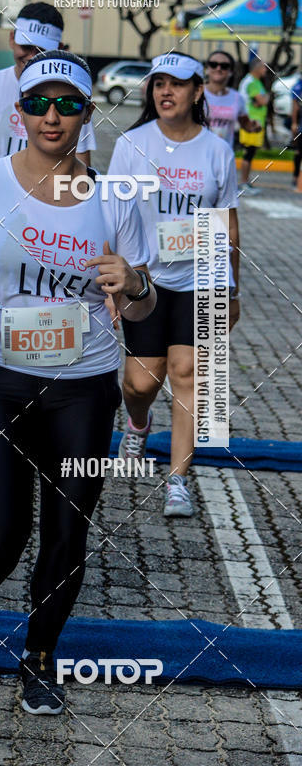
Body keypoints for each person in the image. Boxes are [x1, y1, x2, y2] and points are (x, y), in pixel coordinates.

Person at [0, 49, 155, 714]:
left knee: (66, 528)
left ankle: (40, 653)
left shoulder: (115, 196)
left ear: (86, 114)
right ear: (18, 112)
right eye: (39, 103)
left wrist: (135, 284)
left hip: (82, 383)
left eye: (69, 104)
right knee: (1, 530)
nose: (52, 116)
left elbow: (139, 303)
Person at [109, 53, 240, 518]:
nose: (165, 92)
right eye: (158, 83)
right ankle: (138, 423)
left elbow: (225, 221)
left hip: (202, 276)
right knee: (140, 382)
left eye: (177, 84)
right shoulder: (131, 144)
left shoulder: (217, 151)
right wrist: (114, 284)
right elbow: (114, 215)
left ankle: (178, 479)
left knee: (188, 374)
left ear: (197, 92)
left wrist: (234, 287)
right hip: (145, 280)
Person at [0, 2, 97, 174]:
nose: (32, 56)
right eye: (26, 47)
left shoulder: (70, 97)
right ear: (12, 38)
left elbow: (80, 168)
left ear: (59, 48)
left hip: (49, 198)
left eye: (41, 50)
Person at [204, 50, 260, 148]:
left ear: (231, 72)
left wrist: (253, 126)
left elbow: (245, 124)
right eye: (213, 64)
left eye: (224, 66)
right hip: (198, 155)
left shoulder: (237, 98)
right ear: (207, 69)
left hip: (224, 155)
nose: (218, 68)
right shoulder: (195, 94)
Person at [239, 55, 270, 195]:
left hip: (256, 122)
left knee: (250, 153)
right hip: (250, 123)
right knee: (248, 153)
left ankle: (246, 182)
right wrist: (265, 98)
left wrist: (263, 99)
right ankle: (243, 183)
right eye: (263, 67)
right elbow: (262, 101)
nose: (265, 70)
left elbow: (261, 100)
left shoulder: (256, 81)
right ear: (257, 68)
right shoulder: (251, 82)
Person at [291, 72, 302, 189]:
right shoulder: (299, 86)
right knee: (299, 152)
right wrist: (294, 123)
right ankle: (295, 177)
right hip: (301, 125)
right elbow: (295, 106)